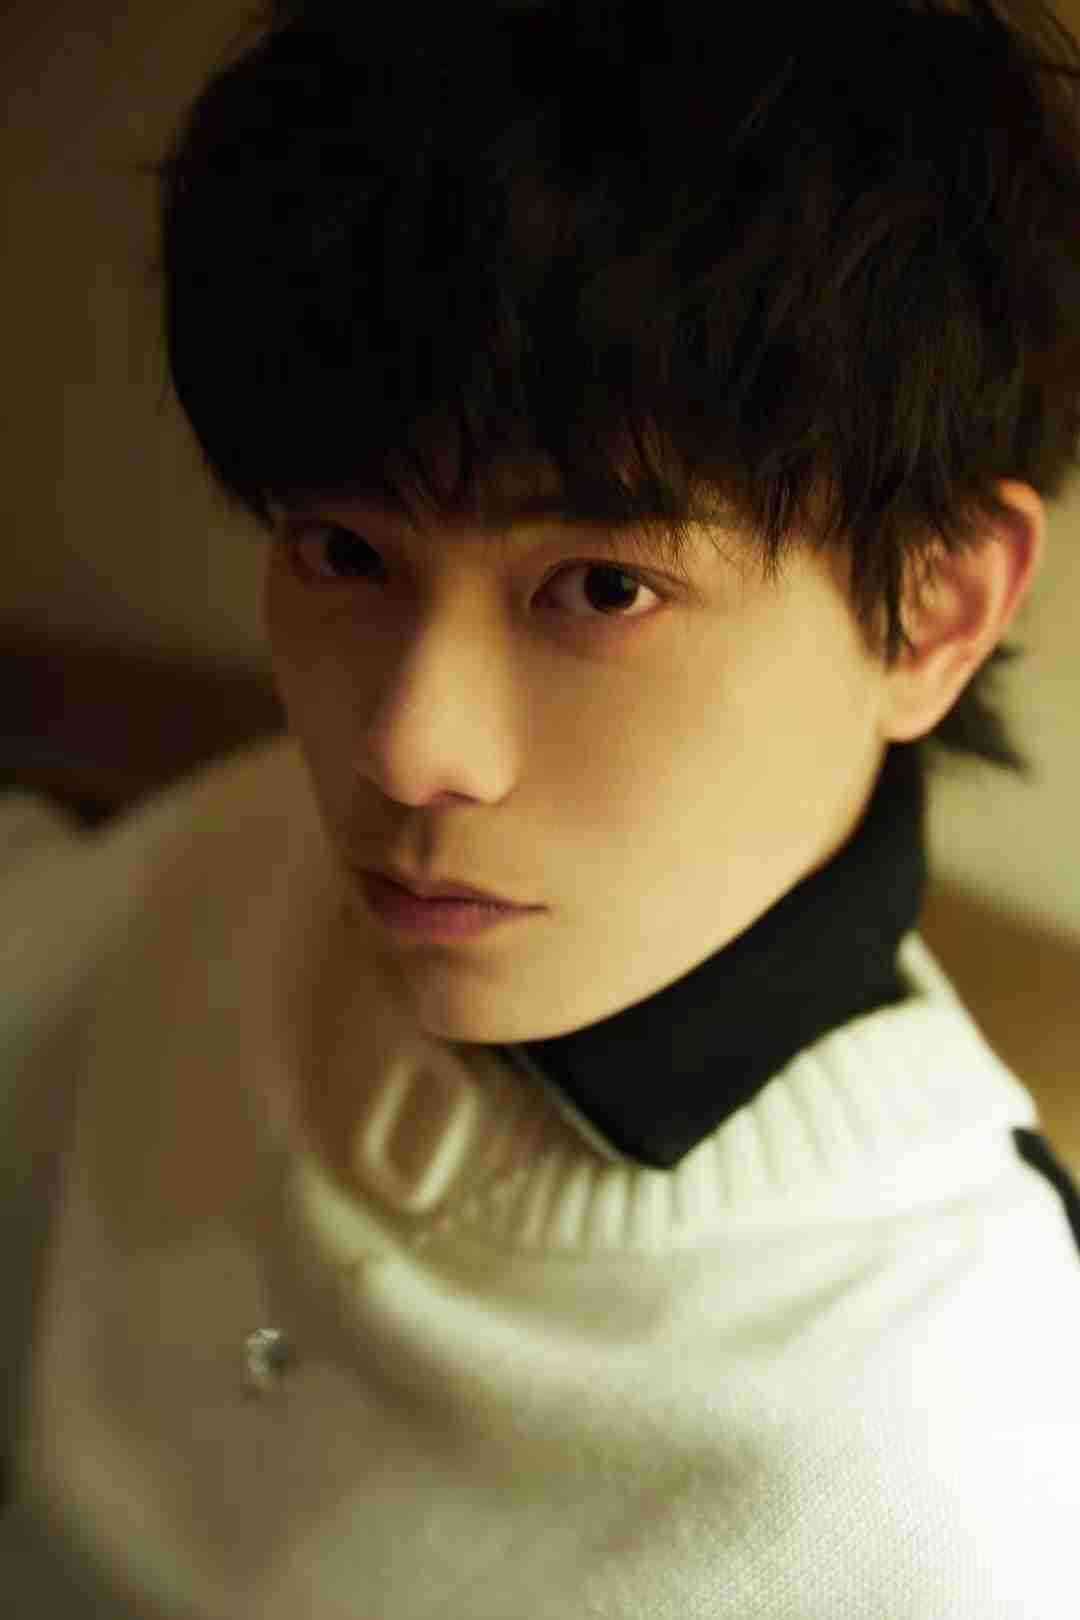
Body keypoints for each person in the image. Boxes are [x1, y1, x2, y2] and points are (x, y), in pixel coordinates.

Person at [3, 1, 1080, 1613]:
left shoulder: (951, 1455)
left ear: (935, 607)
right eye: (343, 552)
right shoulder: (253, 847)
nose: (404, 752)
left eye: (600, 587)